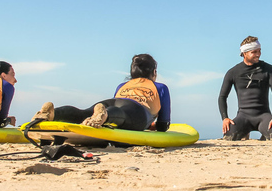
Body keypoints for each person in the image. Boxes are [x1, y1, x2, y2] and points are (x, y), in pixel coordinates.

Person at [32, 53, 170, 132]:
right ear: (154, 72)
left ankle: (53, 113)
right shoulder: (160, 87)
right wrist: (152, 125)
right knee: (121, 115)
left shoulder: (123, 85)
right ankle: (106, 114)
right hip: (137, 109)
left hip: (112, 101)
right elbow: (163, 125)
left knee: (83, 113)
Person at [218, 36, 272, 141]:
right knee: (228, 137)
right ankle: (244, 133)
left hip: (263, 115)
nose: (258, 54)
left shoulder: (268, 69)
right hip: (243, 116)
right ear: (244, 53)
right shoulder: (233, 72)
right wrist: (225, 118)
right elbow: (222, 96)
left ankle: (264, 135)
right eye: (254, 52)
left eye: (259, 51)